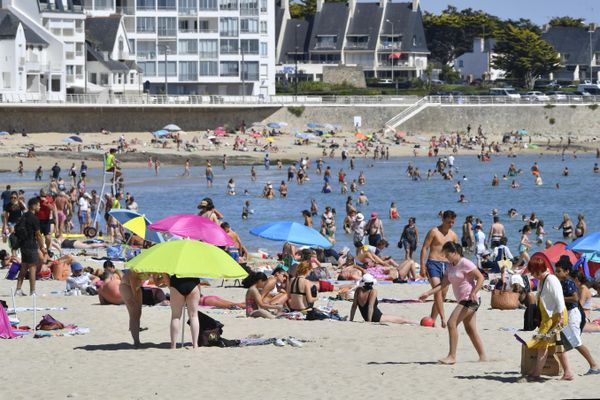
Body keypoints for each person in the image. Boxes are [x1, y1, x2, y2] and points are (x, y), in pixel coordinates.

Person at [419, 242, 486, 364]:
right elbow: (443, 284)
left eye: (447, 254)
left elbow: (481, 277)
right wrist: (428, 293)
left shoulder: (465, 263)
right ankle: (483, 357)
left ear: (455, 252)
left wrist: (473, 292)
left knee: (451, 323)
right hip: (463, 299)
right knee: (470, 329)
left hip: (470, 299)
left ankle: (452, 356)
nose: (445, 257)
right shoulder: (450, 266)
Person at [526, 257, 574, 381]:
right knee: (559, 345)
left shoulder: (551, 279)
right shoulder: (543, 280)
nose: (532, 274)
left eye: (533, 272)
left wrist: (562, 317)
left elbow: (559, 298)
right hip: (549, 318)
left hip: (556, 317)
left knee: (542, 345)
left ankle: (536, 373)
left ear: (538, 270)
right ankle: (568, 372)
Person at [555, 258, 600, 375]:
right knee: (564, 341)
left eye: (559, 271)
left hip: (573, 314)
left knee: (576, 342)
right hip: (568, 313)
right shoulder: (562, 282)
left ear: (567, 271)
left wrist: (560, 299)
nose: (556, 273)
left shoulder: (569, 282)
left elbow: (575, 298)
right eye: (556, 271)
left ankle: (594, 366)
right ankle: (564, 370)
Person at [420, 210, 459, 328]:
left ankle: (432, 319)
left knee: (442, 295)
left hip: (447, 265)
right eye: (448, 222)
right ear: (443, 219)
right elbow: (424, 248)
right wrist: (422, 266)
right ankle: (443, 318)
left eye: (453, 222)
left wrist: (456, 267)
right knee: (437, 290)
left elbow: (455, 253)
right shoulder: (434, 231)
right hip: (433, 263)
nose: (451, 224)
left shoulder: (453, 235)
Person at [350, 274, 417, 324]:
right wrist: (369, 322)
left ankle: (418, 322)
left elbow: (354, 306)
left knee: (401, 318)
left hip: (369, 317)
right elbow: (370, 307)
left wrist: (351, 320)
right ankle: (418, 322)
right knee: (403, 319)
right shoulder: (373, 291)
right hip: (377, 317)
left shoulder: (358, 290)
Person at [15, 198, 47, 296]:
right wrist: (42, 247)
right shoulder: (34, 218)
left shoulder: (23, 216)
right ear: (33, 206)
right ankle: (32, 291)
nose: (39, 207)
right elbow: (38, 234)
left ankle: (18, 290)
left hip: (23, 244)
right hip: (31, 245)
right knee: (32, 268)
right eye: (38, 205)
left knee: (24, 267)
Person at [169, 275, 201, 349]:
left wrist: (169, 285)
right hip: (193, 281)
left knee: (175, 316)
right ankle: (195, 344)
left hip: (176, 282)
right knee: (194, 316)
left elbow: (164, 273)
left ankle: (173, 345)